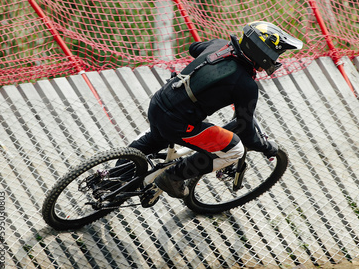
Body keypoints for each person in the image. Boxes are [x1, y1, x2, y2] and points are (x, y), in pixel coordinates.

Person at [129, 21, 303, 207]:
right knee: (235, 149)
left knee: (155, 139)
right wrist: (267, 147)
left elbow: (193, 48)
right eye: (277, 53)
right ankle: (172, 178)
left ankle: (112, 179)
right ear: (264, 54)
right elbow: (246, 131)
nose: (277, 58)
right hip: (178, 124)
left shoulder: (219, 45)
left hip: (159, 103)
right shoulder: (246, 85)